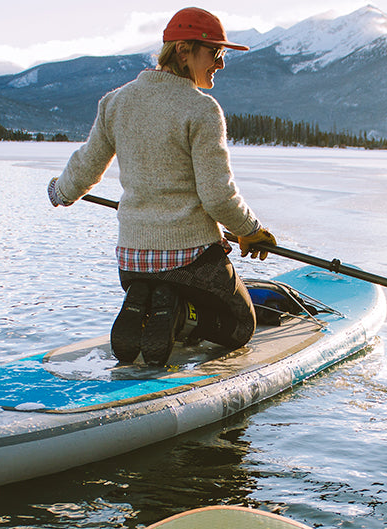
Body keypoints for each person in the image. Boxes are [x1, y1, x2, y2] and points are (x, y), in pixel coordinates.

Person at [47, 6, 277, 367]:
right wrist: (251, 230)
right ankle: (179, 316)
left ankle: (151, 299)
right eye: (215, 53)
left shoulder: (115, 102)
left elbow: (86, 166)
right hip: (192, 260)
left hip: (132, 260)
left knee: (160, 283)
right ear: (184, 51)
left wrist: (60, 192)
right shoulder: (201, 109)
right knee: (239, 326)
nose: (221, 63)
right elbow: (217, 196)